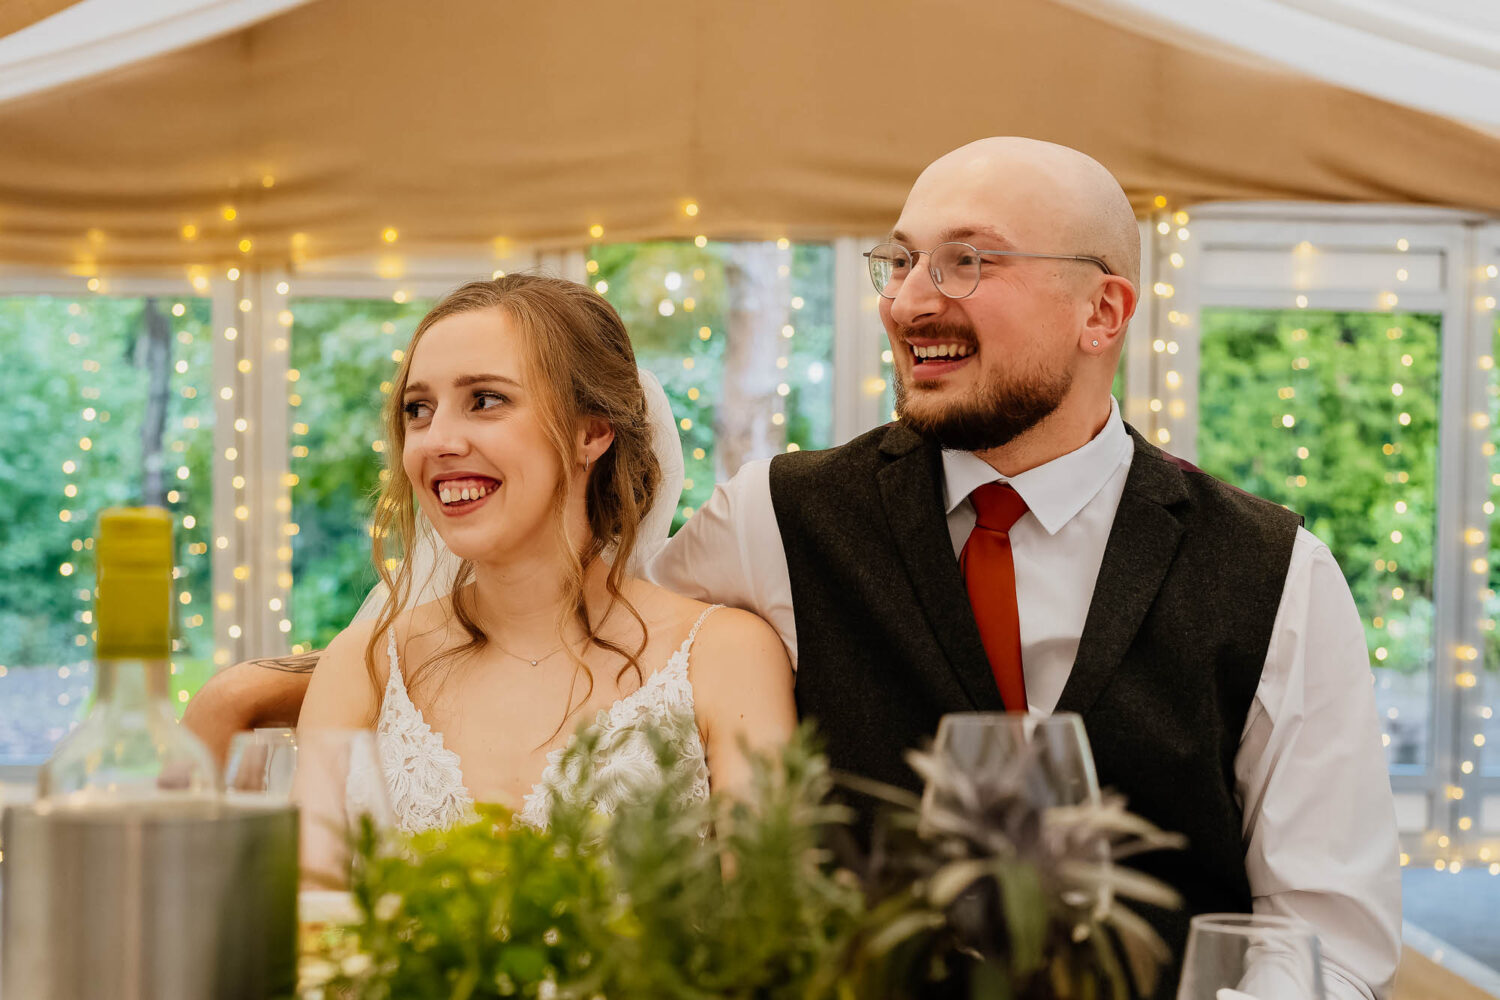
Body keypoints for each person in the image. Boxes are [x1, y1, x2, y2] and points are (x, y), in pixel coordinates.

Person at [185, 139, 1401, 997]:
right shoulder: (778, 517)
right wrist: (295, 685)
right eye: (901, 263)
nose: (909, 299)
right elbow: (560, 600)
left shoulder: (1278, 577)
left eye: (967, 262)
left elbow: (1328, 942)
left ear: (1105, 311)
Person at [289, 275, 795, 835]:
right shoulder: (366, 665)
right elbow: (312, 903)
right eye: (418, 409)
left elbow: (766, 914)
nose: (437, 441)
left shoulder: (724, 655)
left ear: (592, 432)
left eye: (485, 400)